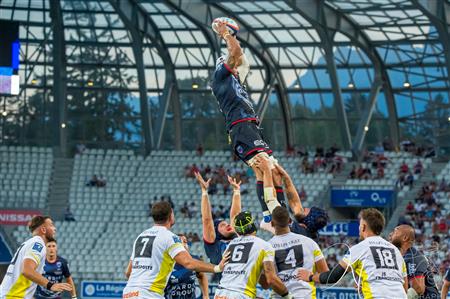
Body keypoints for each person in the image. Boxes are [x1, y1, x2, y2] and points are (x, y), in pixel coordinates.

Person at [210, 20, 290, 225]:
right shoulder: (221, 77)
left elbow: (243, 60)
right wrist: (226, 35)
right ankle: (271, 208)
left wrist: (232, 37)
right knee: (264, 165)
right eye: (233, 65)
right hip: (240, 126)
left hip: (250, 127)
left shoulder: (235, 78)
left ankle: (275, 216)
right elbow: (235, 54)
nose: (237, 67)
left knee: (273, 171)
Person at [123, 201, 228, 299]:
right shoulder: (169, 237)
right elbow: (188, 263)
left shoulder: (141, 237)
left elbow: (128, 272)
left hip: (129, 292)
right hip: (149, 294)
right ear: (171, 215)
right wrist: (217, 268)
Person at [298, 208, 408, 299]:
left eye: (360, 224)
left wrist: (310, 277)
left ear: (364, 226)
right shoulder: (395, 251)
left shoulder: (359, 248)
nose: (359, 228)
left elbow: (333, 277)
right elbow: (404, 286)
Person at [214, 211, 293, 299]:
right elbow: (271, 280)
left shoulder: (231, 245)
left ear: (237, 230)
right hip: (242, 294)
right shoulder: (264, 246)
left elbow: (264, 284)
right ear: (253, 225)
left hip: (220, 293)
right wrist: (287, 295)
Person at [260, 206, 329, 298]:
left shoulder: (266, 247)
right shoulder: (309, 242)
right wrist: (311, 276)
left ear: (272, 223)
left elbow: (266, 285)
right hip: (305, 295)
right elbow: (326, 275)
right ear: (289, 221)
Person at [0, 216, 72, 299]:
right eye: (51, 225)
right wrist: (51, 285)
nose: (54, 228)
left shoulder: (30, 243)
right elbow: (27, 271)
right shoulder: (38, 244)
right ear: (43, 230)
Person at [195, 172, 241, 282]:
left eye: (227, 223)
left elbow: (235, 215)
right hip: (225, 289)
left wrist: (236, 191)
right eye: (222, 225)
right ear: (215, 231)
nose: (228, 225)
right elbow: (207, 220)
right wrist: (204, 192)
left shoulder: (238, 238)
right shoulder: (214, 245)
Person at [390, 225, 440, 299]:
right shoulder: (403, 256)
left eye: (395, 231)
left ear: (405, 238)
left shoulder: (413, 257)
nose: (391, 234)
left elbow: (418, 288)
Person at [164, 234, 209, 299]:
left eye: (185, 242)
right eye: (181, 242)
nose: (185, 245)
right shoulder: (165, 263)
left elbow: (201, 276)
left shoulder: (194, 260)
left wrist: (206, 295)